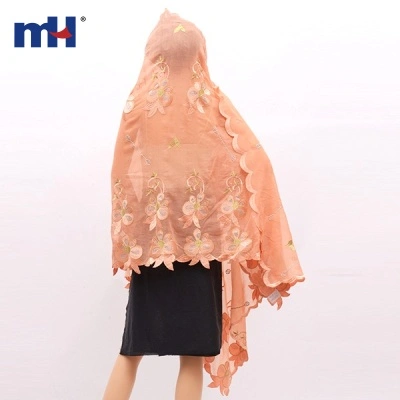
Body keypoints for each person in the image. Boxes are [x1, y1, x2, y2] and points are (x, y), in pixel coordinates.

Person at [103, 9, 305, 400]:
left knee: (131, 352)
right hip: (201, 247)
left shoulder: (138, 107)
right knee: (191, 357)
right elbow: (252, 159)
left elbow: (124, 176)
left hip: (154, 249)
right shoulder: (210, 104)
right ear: (198, 54)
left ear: (154, 55)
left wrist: (138, 231)